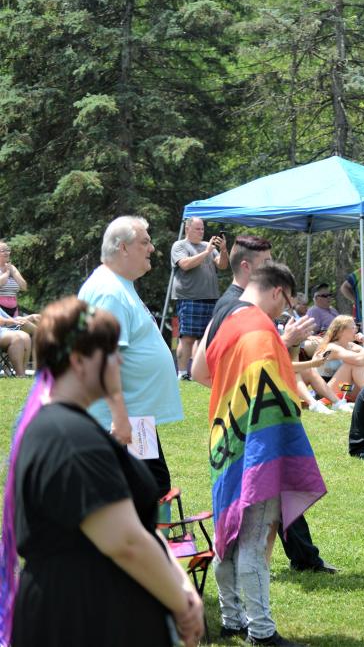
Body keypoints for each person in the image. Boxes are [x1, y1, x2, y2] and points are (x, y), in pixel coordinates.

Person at [0, 297, 204, 647]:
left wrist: (182, 584)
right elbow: (124, 541)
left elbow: (138, 528)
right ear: (79, 362)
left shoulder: (71, 427)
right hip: (80, 620)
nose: (120, 360)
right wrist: (180, 603)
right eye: (110, 353)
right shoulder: (68, 438)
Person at [192, 236, 336, 578]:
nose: (273, 269)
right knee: (260, 496)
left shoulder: (238, 307)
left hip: (252, 421)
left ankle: (299, 557)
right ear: (247, 266)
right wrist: (282, 345)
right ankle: (258, 575)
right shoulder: (234, 309)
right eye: (267, 262)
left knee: (277, 487)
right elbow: (204, 371)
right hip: (250, 425)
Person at [202, 262, 328, 645]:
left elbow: (203, 372)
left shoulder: (230, 324)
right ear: (277, 292)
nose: (285, 309)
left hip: (224, 438)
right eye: (287, 301)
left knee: (229, 529)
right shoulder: (260, 331)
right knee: (255, 537)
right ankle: (261, 631)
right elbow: (271, 400)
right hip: (256, 447)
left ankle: (232, 619)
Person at [78, 216, 182, 504]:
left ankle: (145, 546)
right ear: (123, 248)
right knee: (148, 489)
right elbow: (104, 359)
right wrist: (120, 419)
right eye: (144, 242)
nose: (151, 248)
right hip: (122, 419)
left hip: (136, 417)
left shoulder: (120, 285)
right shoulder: (108, 291)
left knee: (155, 486)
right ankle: (141, 547)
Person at [170, 217, 228, 380]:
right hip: (189, 297)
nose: (201, 232)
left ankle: (199, 372)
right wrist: (207, 252)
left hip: (211, 297)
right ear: (187, 229)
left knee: (206, 337)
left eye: (202, 229)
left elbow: (222, 265)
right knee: (187, 337)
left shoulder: (207, 246)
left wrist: (223, 250)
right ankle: (182, 373)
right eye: (197, 229)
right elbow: (185, 264)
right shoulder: (180, 246)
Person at [315, 315, 364, 402]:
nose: (356, 330)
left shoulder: (351, 345)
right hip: (326, 392)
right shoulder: (332, 347)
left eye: (356, 327)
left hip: (346, 388)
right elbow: (359, 360)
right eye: (353, 327)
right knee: (352, 364)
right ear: (341, 331)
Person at [0, 308, 32, 376]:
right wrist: (14, 322)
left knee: (26, 337)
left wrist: (20, 320)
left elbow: (8, 318)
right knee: (16, 339)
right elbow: (2, 321)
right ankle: (20, 375)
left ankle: (23, 372)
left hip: (3, 330)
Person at [0, 240, 28, 316]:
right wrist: (7, 272)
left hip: (13, 309)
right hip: (1, 310)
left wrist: (13, 272)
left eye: (8, 250)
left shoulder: (12, 268)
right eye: (3, 251)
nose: (7, 253)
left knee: (17, 327)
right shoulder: (9, 269)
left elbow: (24, 286)